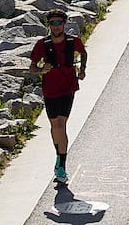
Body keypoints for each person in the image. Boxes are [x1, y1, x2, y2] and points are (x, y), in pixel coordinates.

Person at [29, 12, 87, 184]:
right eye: (53, 23)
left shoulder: (72, 41)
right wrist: (41, 70)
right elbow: (32, 66)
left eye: (59, 23)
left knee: (61, 125)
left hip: (68, 88)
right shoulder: (42, 44)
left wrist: (82, 70)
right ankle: (58, 154)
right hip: (50, 90)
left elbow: (83, 53)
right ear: (48, 25)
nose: (56, 26)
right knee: (55, 127)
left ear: (64, 24)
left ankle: (61, 166)